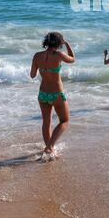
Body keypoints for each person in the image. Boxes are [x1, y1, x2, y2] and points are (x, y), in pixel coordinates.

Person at [30, 32, 75, 160]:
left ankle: (49, 150)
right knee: (65, 121)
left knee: (46, 121)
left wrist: (42, 69)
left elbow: (32, 75)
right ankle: (49, 147)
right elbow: (72, 59)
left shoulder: (37, 55)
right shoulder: (59, 55)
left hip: (43, 93)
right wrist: (67, 44)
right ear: (59, 43)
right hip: (56, 94)